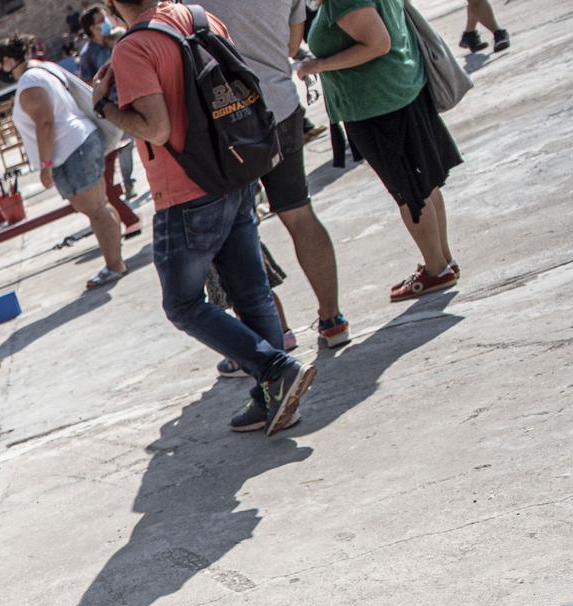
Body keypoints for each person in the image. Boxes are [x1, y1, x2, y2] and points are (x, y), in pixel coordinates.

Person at [95, 3, 318, 432]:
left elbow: (156, 129)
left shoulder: (133, 48)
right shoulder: (196, 16)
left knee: (182, 304)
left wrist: (105, 107)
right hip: (232, 168)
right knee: (251, 293)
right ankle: (272, 397)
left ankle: (276, 370)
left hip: (185, 190)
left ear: (111, 5)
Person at [298, 0, 462, 301]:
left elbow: (377, 44)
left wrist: (318, 65)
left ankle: (437, 269)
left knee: (410, 192)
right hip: (399, 90)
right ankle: (442, 261)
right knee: (424, 185)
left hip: (380, 104)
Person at [211, 0, 350, 346]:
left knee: (238, 229)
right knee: (299, 212)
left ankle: (275, 334)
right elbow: (291, 45)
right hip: (281, 105)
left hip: (227, 120)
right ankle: (333, 320)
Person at [0, 36, 130, 291]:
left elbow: (45, 123)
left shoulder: (29, 83)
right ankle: (116, 261)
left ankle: (114, 265)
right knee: (101, 206)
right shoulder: (43, 69)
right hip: (82, 143)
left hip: (71, 152)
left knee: (96, 211)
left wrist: (45, 167)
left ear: (8, 60)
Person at [75, 7, 141, 200]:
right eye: (99, 20)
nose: (104, 22)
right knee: (126, 145)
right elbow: (87, 83)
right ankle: (128, 184)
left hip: (131, 93)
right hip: (112, 104)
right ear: (91, 27)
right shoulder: (88, 54)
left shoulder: (114, 39)